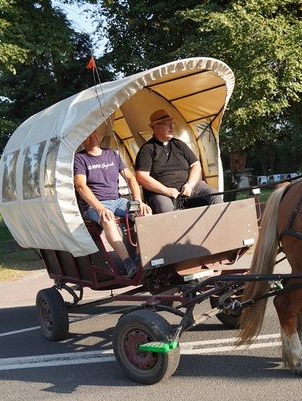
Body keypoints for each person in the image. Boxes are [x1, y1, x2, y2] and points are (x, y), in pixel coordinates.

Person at [74, 130, 152, 278]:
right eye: (87, 134)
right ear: (81, 140)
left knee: (145, 213)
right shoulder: (80, 159)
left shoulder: (112, 154)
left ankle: (139, 258)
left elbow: (131, 178)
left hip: (118, 201)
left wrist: (138, 202)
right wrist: (100, 208)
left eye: (94, 132)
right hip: (96, 204)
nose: (92, 136)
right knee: (107, 219)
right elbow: (81, 186)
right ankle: (129, 264)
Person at [135, 109, 223, 213]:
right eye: (167, 124)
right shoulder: (147, 149)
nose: (171, 127)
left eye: (172, 124)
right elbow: (141, 176)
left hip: (191, 187)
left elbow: (196, 165)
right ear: (156, 127)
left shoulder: (179, 144)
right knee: (165, 208)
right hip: (162, 193)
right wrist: (166, 191)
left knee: (215, 197)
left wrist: (190, 185)